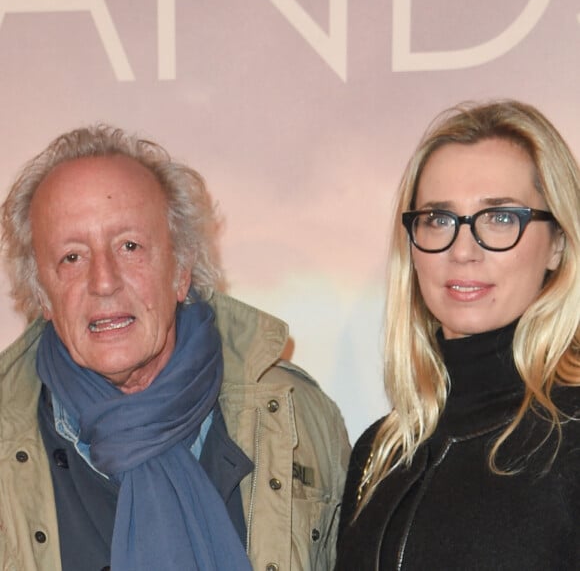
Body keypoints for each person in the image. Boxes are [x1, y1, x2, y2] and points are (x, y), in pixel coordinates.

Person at [0, 125, 350, 571]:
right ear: (43, 294)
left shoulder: (299, 418)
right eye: (72, 257)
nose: (103, 281)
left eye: (129, 246)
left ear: (181, 270)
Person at [335, 100, 580, 570]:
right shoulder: (381, 450)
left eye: (501, 218)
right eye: (438, 220)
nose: (463, 249)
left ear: (557, 244)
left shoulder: (571, 434)